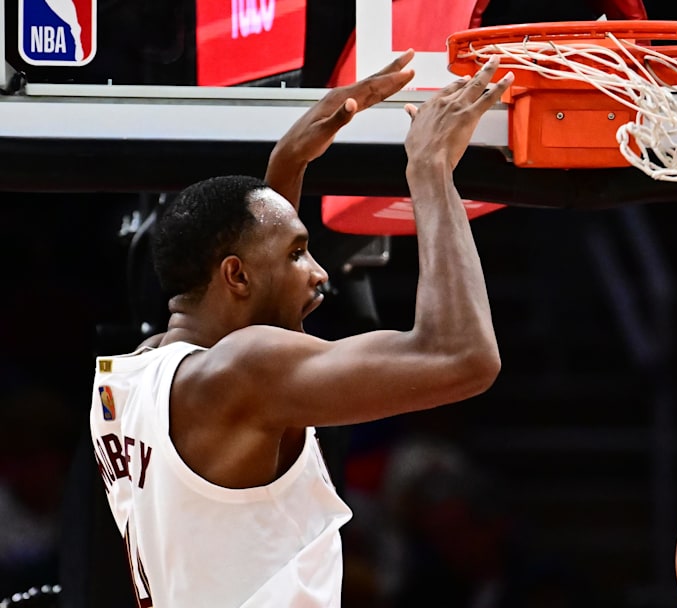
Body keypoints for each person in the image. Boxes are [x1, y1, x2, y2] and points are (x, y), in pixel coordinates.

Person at [87, 52, 511, 607]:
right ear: (235, 274)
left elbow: (245, 309)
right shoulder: (245, 370)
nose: (320, 272)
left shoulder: (132, 372)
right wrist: (429, 168)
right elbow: (463, 357)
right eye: (298, 253)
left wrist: (287, 164)